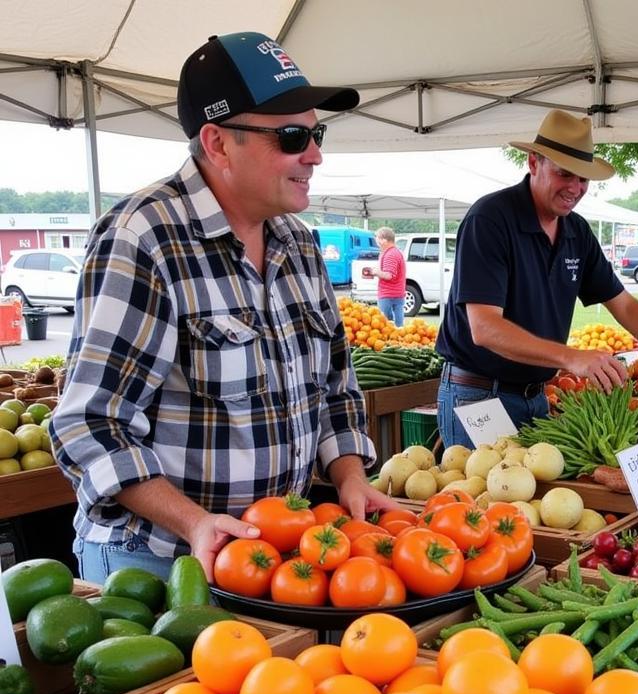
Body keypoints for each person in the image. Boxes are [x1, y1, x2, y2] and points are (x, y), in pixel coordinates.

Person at [50, 31, 391, 583]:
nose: (315, 154)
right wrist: (195, 523)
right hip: (160, 564)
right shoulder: (145, 238)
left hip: (275, 561)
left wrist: (350, 476)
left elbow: (335, 389)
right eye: (291, 136)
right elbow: (91, 424)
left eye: (316, 131)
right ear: (216, 143)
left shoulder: (299, 246)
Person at [434, 109, 638, 448]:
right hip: (479, 398)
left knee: (532, 500)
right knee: (481, 498)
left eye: (583, 179)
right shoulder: (491, 220)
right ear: (534, 163)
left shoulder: (576, 232)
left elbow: (624, 304)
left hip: (536, 398)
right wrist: (571, 357)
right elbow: (485, 328)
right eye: (565, 174)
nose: (575, 188)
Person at [369, 226, 407, 326]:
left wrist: (375, 272)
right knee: (399, 323)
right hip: (398, 292)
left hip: (388, 294)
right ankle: (399, 337)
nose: (376, 241)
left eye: (377, 238)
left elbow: (389, 275)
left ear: (384, 240)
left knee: (382, 324)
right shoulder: (395, 252)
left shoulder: (390, 254)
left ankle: (389, 339)